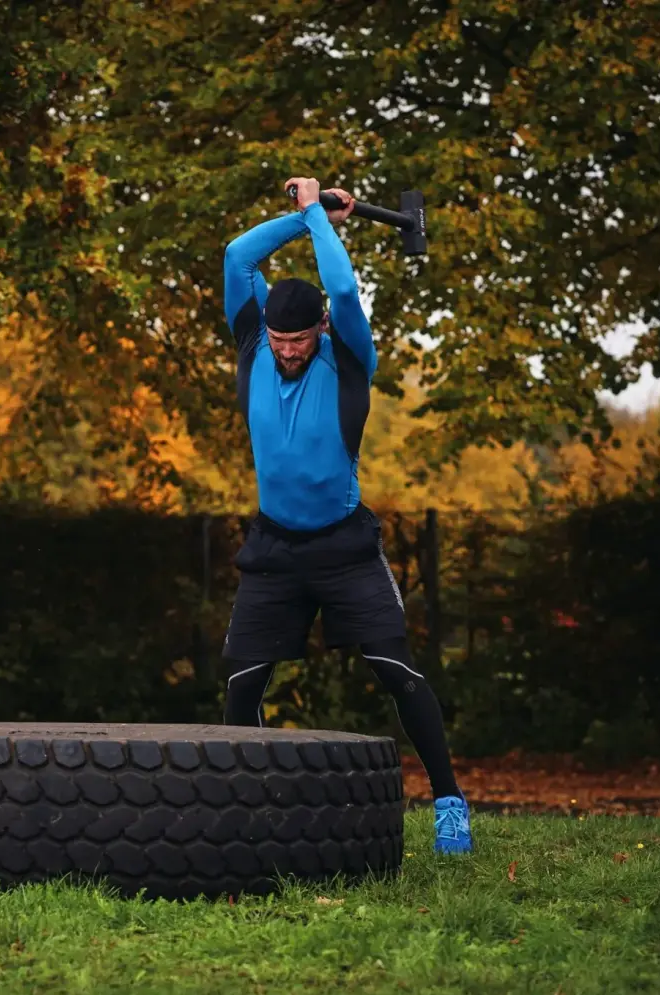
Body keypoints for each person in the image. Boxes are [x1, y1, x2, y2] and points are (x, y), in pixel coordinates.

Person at [218, 176, 473, 855]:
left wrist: (319, 219)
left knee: (397, 671)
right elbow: (236, 257)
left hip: (344, 548)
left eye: (299, 339)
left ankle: (450, 804)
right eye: (279, 339)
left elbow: (345, 291)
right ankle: (249, 810)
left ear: (320, 330)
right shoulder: (253, 346)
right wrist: (301, 219)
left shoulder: (349, 356)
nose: (288, 350)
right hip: (274, 549)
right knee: (242, 680)